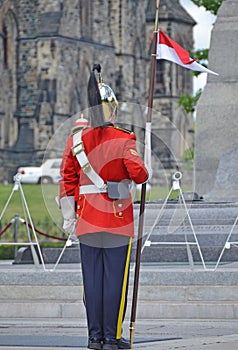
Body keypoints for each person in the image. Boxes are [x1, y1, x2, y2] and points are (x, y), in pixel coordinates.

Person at [59, 64, 149, 350]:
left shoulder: (75, 141)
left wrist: (69, 217)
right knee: (114, 284)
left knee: (92, 283)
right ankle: (111, 337)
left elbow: (67, 182)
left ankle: (94, 337)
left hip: (86, 221)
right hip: (116, 222)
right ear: (113, 109)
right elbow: (140, 175)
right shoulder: (124, 139)